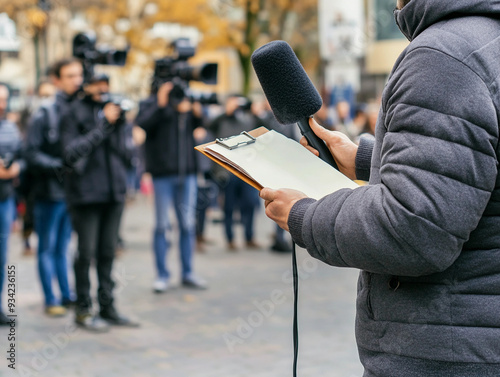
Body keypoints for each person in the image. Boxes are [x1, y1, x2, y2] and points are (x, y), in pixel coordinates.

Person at [260, 1, 500, 375]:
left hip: (449, 353)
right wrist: (364, 159)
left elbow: (412, 229)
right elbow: (471, 174)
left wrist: (304, 214)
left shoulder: (443, 57)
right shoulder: (486, 42)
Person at [60, 74, 137, 331]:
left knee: (107, 253)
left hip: (113, 193)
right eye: (97, 82)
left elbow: (126, 155)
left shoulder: (114, 111)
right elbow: (71, 154)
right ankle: (83, 309)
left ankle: (107, 307)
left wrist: (119, 126)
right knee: (86, 253)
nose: (103, 87)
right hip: (85, 194)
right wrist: (102, 124)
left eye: (107, 82)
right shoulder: (72, 112)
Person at [135, 81, 207, 293]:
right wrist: (161, 103)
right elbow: (143, 124)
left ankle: (187, 272)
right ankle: (162, 275)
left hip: (188, 173)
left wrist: (194, 109)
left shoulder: (185, 103)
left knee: (186, 224)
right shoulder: (151, 103)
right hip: (162, 175)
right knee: (161, 225)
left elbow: (201, 124)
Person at [25, 59, 83, 317]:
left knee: (63, 247)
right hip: (48, 192)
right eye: (70, 76)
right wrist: (58, 167)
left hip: (70, 192)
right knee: (46, 247)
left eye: (78, 75)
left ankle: (66, 294)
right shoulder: (44, 112)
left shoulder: (79, 108)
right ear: (57, 80)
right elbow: (31, 153)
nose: (76, 80)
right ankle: (51, 298)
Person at [208, 95, 261, 251]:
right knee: (229, 207)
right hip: (227, 171)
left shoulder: (249, 119)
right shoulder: (221, 120)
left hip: (246, 170)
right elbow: (209, 125)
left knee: (250, 204)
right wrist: (226, 111)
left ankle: (249, 237)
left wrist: (254, 111)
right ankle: (230, 239)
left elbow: (268, 127)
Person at [0, 84, 23, 325]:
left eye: (5, 99)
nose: (1, 104)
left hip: (5, 199)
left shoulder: (10, 127)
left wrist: (16, 168)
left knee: (1, 257)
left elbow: (23, 155)